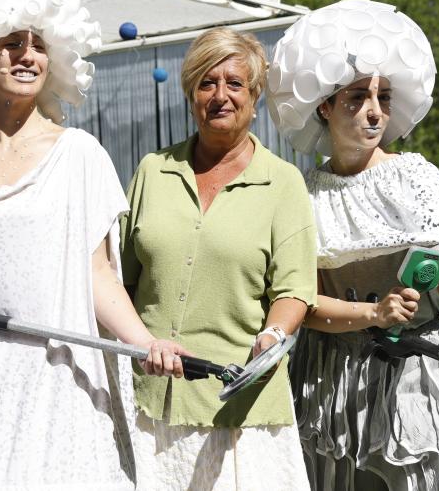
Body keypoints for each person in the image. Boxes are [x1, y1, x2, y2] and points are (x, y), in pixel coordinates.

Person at [0, 0, 184, 489]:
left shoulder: (79, 155)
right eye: (11, 43)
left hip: (55, 380)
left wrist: (146, 342)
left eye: (38, 45)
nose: (28, 54)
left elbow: (99, 274)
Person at [266, 0, 439, 490]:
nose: (375, 111)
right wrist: (373, 315)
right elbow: (301, 300)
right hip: (333, 382)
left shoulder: (414, 174)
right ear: (324, 106)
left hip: (422, 367)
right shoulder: (301, 193)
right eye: (358, 97)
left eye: (382, 96)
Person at [121, 28, 316, 490]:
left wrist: (273, 334)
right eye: (207, 83)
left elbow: (294, 290)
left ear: (254, 97)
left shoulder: (282, 182)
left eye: (235, 84)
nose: (220, 96)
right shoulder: (153, 171)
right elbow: (121, 280)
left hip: (240, 410)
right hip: (151, 404)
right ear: (191, 93)